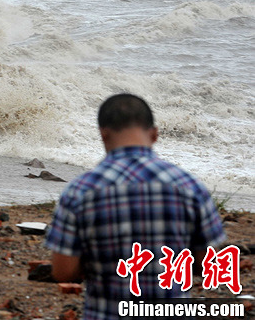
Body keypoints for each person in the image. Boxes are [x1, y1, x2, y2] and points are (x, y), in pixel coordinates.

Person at [44, 93, 225, 319]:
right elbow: (206, 266)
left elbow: (63, 272)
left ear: (103, 134)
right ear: (155, 134)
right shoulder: (191, 187)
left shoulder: (80, 192)